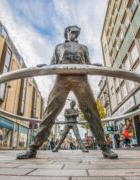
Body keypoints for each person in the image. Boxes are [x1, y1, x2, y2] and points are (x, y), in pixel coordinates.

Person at [16, 26, 117, 159]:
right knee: (50, 112)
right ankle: (33, 147)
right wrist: (44, 66)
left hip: (81, 79)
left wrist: (95, 66)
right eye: (72, 31)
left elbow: (88, 63)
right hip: (62, 79)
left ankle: (104, 147)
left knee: (92, 112)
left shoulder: (83, 47)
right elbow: (53, 64)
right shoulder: (59, 47)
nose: (74, 34)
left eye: (77, 32)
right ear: (67, 33)